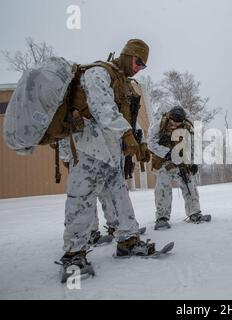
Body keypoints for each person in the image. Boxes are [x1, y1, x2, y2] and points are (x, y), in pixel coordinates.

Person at [59, 39, 157, 279]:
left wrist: (138, 141)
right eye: (138, 62)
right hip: (88, 150)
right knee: (81, 201)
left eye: (143, 66)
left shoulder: (123, 83)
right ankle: (74, 256)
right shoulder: (97, 73)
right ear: (126, 55)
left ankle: (128, 241)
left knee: (119, 196)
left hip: (110, 153)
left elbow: (127, 117)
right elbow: (103, 109)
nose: (139, 68)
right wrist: (126, 134)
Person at [148, 106, 211, 230]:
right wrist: (166, 152)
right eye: (173, 121)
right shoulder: (158, 125)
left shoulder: (187, 126)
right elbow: (150, 143)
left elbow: (192, 145)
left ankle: (194, 213)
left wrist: (193, 162)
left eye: (178, 122)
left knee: (190, 187)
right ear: (169, 117)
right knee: (163, 190)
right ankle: (162, 218)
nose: (175, 124)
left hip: (182, 162)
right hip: (164, 163)